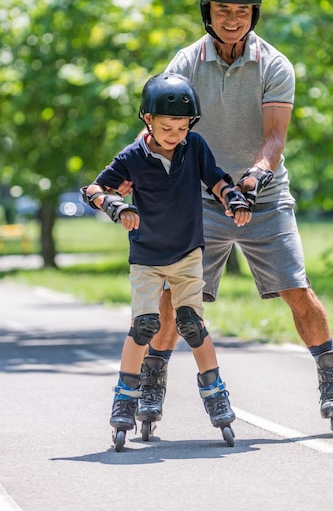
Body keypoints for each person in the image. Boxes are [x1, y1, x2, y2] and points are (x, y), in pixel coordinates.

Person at [120, 0, 333, 435]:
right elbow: (163, 132)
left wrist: (254, 179)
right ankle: (153, 380)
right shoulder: (185, 64)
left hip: (261, 197)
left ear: (254, 14)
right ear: (207, 12)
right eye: (223, 10)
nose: (232, 19)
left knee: (296, 289)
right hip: (200, 201)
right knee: (174, 301)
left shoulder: (275, 65)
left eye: (242, 11)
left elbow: (274, 139)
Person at [81, 72, 251, 447]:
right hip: (146, 256)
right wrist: (115, 206)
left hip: (188, 251)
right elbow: (93, 188)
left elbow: (217, 180)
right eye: (167, 126)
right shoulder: (131, 157)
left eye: (182, 126)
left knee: (191, 322)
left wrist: (233, 198)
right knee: (144, 326)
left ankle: (216, 392)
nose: (175, 134)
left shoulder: (195, 147)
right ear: (148, 121)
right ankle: (126, 398)